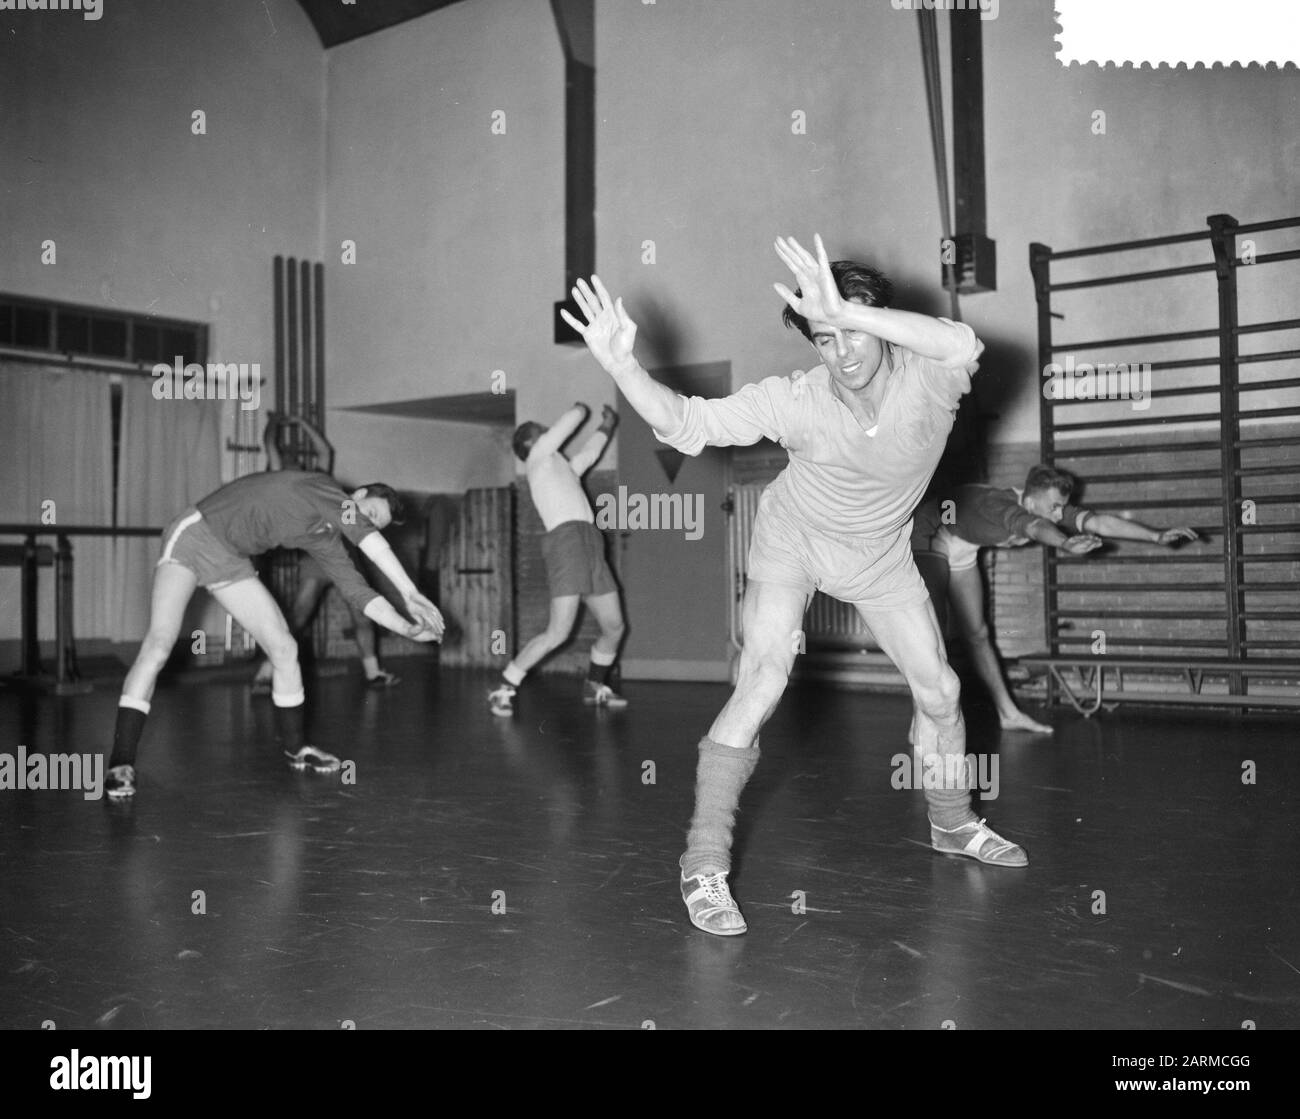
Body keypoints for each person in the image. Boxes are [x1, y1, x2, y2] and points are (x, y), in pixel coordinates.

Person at [560, 234, 1027, 938]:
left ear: (878, 324)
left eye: (852, 331)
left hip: (880, 555)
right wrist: (624, 365)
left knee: (942, 692)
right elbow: (688, 423)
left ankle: (952, 821)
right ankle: (702, 862)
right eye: (823, 337)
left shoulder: (928, 379)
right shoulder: (796, 398)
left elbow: (960, 342)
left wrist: (848, 311)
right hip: (792, 541)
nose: (841, 352)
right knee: (763, 677)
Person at [104, 470, 444, 800]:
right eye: (369, 514)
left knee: (284, 648)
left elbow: (360, 593)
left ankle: (298, 750)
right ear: (356, 497)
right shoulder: (325, 490)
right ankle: (120, 763)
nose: (366, 523)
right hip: (194, 536)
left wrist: (407, 628)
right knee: (160, 643)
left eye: (373, 522)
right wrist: (410, 592)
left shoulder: (324, 536)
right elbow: (370, 542)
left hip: (231, 559)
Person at [910, 467, 1199, 734]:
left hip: (963, 542)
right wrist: (1064, 542)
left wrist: (1156, 536)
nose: (1060, 515)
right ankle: (921, 721)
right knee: (933, 633)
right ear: (1032, 504)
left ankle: (1008, 714)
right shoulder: (1001, 507)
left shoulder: (1043, 507)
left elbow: (1098, 522)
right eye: (1055, 508)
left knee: (977, 633)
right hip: (931, 531)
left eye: (1061, 507)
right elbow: (1036, 528)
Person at [488, 403, 628, 715]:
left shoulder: (563, 468)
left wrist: (606, 425)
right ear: (530, 444)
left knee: (614, 626)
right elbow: (564, 427)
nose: (549, 432)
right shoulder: (538, 460)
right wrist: (579, 410)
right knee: (558, 632)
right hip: (565, 543)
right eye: (542, 431)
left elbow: (589, 454)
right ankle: (504, 687)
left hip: (591, 541)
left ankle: (594, 686)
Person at [251, 413, 402, 690]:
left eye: (298, 460)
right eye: (290, 460)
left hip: (345, 554)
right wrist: (275, 423)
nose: (296, 461)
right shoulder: (279, 477)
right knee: (298, 617)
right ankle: (265, 673)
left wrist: (299, 420)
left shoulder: (319, 480)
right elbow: (270, 445)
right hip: (317, 555)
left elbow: (324, 450)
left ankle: (373, 673)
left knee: (362, 615)